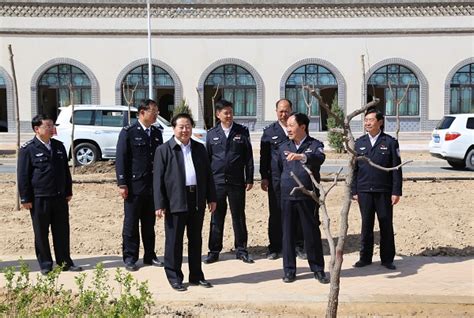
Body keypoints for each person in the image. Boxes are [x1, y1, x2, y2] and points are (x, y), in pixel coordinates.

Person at [154, 113, 217, 292]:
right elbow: (157, 180)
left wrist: (211, 198)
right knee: (174, 241)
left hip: (196, 198)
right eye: (181, 126)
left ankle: (196, 275)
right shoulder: (164, 150)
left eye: (188, 126)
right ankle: (174, 277)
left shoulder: (199, 148)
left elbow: (208, 175)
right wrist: (159, 204)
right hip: (175, 200)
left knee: (195, 239)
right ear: (174, 129)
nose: (185, 130)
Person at [17, 114, 82, 275]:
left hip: (59, 197)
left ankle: (65, 262)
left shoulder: (59, 146)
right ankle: (46, 264)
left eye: (52, 125)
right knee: (41, 232)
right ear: (37, 129)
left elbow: (65, 172)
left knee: (61, 231)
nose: (52, 129)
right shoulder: (28, 149)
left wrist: (68, 190)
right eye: (48, 126)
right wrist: (25, 198)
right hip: (39, 198)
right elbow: (23, 175)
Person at [275, 112, 329, 284]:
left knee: (311, 233)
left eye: (292, 125)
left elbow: (319, 158)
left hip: (308, 196)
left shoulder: (314, 145)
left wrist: (302, 157)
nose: (288, 129)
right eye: (288, 126)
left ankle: (318, 269)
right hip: (287, 196)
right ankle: (289, 270)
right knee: (287, 234)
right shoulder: (283, 146)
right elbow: (278, 170)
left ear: (302, 127)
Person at [204, 99, 255, 264]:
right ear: (218, 114)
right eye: (225, 112)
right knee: (216, 217)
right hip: (217, 182)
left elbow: (248, 157)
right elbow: (207, 159)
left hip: (236, 181)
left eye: (231, 112)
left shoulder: (242, 131)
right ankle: (214, 250)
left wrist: (249, 178)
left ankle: (241, 249)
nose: (229, 115)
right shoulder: (212, 134)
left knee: (238, 216)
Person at [115, 99, 164, 271]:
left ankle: (150, 255)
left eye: (157, 110)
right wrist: (122, 183)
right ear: (142, 112)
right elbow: (121, 158)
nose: (156, 113)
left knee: (149, 223)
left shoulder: (157, 133)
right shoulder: (128, 132)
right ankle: (130, 257)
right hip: (134, 186)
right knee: (131, 223)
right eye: (153, 111)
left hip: (152, 186)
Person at [351, 108, 402, 270]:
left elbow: (396, 168)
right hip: (364, 190)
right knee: (366, 225)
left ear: (380, 122)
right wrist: (354, 190)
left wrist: (396, 191)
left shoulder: (390, 142)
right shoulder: (359, 143)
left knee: (385, 223)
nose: (367, 123)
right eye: (365, 120)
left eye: (371, 120)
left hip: (384, 191)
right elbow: (354, 169)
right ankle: (365, 257)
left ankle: (387, 259)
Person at [260, 98, 305, 260]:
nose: (283, 114)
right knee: (276, 213)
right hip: (276, 179)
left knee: (298, 211)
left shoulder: (298, 128)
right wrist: (264, 177)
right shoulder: (269, 132)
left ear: (291, 110)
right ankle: (275, 247)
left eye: (286, 110)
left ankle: (299, 245)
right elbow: (264, 156)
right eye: (280, 111)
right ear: (276, 111)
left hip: (296, 177)